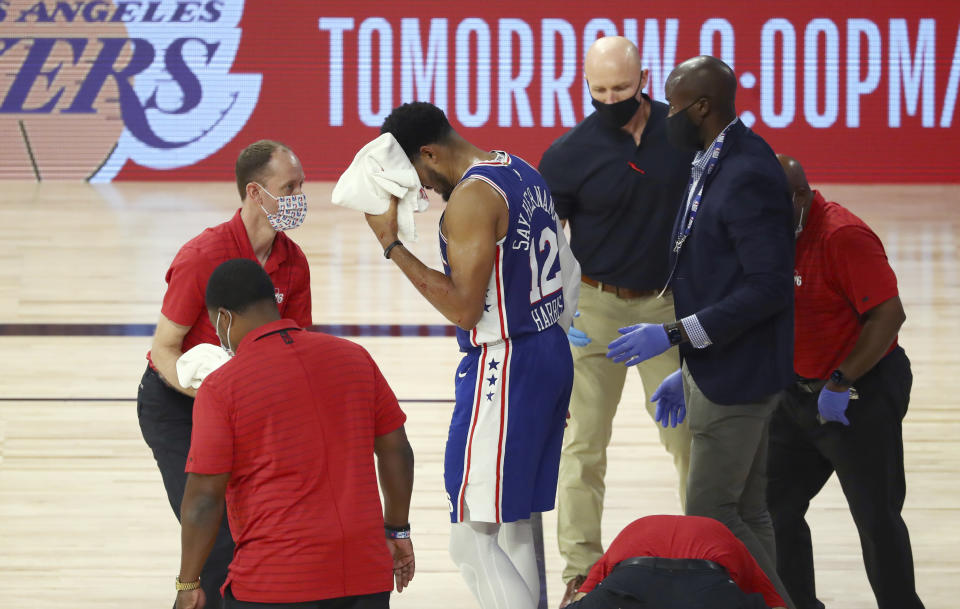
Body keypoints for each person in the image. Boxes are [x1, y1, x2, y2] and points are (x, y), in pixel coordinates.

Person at [366, 101, 574, 609]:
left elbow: (463, 308)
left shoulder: (470, 200)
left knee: (470, 537)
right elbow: (568, 272)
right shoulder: (519, 168)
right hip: (549, 348)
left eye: (415, 174)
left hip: (506, 362)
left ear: (430, 152)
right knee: (514, 522)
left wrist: (392, 244)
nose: (418, 189)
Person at [604, 56, 796, 607]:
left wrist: (672, 338)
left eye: (674, 105)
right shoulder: (718, 157)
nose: (665, 115)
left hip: (737, 376)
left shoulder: (747, 173)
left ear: (703, 107)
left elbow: (767, 287)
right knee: (748, 513)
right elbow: (720, 275)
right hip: (728, 367)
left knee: (712, 516)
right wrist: (687, 369)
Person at [538, 35, 694, 605]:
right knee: (583, 445)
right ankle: (579, 573)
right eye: (599, 91)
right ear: (585, 86)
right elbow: (546, 243)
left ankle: (710, 554)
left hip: (665, 308)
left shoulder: (683, 138)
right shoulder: (566, 155)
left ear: (645, 78)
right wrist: (559, 309)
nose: (611, 99)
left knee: (687, 440)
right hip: (596, 310)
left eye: (622, 89)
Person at [174, 258, 414, 609]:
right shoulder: (355, 357)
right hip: (365, 574)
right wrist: (397, 531)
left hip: (274, 582)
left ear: (224, 318)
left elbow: (204, 498)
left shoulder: (222, 387)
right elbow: (397, 450)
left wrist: (188, 582)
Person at [137, 140, 313, 608]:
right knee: (217, 541)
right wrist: (211, 393)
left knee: (258, 532)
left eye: (301, 185)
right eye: (289, 187)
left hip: (244, 409)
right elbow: (165, 350)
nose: (300, 197)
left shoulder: (293, 263)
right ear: (256, 193)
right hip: (178, 406)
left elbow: (294, 350)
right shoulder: (202, 255)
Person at [766, 155, 926, 609]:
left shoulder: (842, 236)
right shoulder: (765, 235)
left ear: (799, 198)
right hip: (793, 393)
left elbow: (888, 315)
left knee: (876, 519)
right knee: (775, 507)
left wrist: (840, 381)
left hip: (859, 392)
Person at [566, 515, 786, 609]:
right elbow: (776, 603)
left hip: (631, 576)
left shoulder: (627, 540)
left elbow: (582, 596)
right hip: (710, 584)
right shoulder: (729, 542)